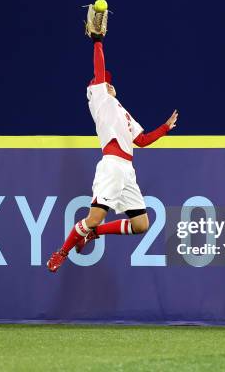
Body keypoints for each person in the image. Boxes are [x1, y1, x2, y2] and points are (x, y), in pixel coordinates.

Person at [46, 33, 178, 272]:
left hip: (127, 170)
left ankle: (93, 233)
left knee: (141, 224)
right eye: (105, 81)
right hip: (112, 165)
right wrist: (98, 42)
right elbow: (99, 68)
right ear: (98, 88)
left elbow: (142, 140)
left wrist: (165, 128)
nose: (109, 83)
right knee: (93, 216)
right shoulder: (101, 101)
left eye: (108, 81)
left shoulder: (123, 112)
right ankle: (62, 252)